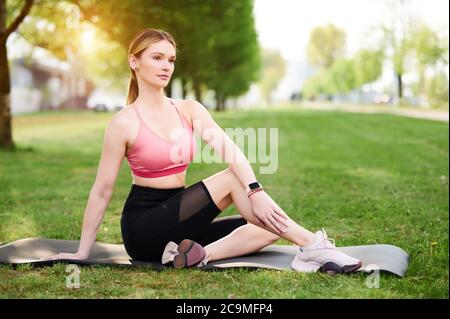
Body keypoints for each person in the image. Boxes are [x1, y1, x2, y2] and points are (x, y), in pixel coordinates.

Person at [41, 28, 361, 274]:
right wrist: (83, 251)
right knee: (231, 179)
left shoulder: (188, 108)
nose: (166, 65)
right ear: (134, 61)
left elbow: (229, 148)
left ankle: (196, 256)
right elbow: (102, 190)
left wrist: (257, 191)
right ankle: (313, 247)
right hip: (145, 228)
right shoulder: (123, 123)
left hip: (182, 222)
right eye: (157, 57)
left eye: (171, 59)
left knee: (266, 229)